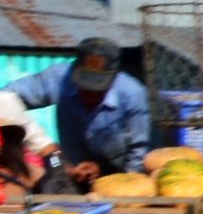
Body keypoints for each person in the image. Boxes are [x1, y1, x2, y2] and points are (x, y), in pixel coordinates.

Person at [9, 37, 149, 191]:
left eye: (97, 90)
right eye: (84, 87)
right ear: (74, 70)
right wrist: (65, 167)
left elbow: (138, 153)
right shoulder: (59, 79)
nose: (89, 95)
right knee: (53, 170)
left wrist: (123, 189)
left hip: (118, 179)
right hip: (68, 173)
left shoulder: (132, 94)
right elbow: (4, 98)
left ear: (114, 78)